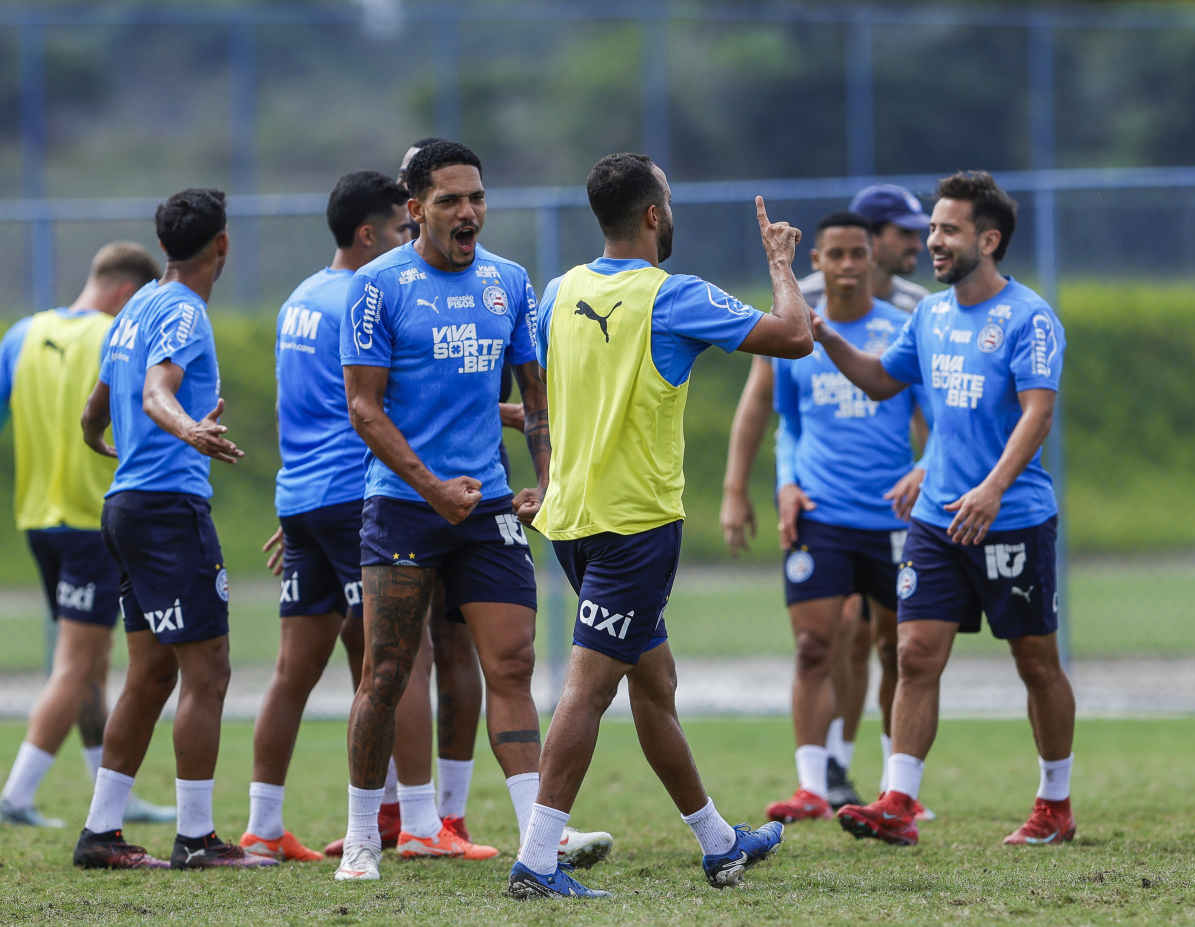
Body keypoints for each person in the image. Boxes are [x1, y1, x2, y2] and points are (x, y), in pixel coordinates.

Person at [507, 152, 813, 900]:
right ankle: (536, 862)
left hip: (573, 523)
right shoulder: (673, 297)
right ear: (653, 214)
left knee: (655, 683)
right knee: (588, 691)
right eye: (668, 201)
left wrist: (547, 463)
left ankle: (718, 842)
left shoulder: (559, 292)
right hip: (634, 529)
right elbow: (794, 334)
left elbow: (552, 394)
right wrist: (780, 263)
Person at [822, 171, 1074, 847]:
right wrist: (826, 336)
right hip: (937, 520)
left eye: (948, 229)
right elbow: (881, 379)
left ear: (988, 241)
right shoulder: (929, 316)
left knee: (1036, 663)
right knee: (915, 655)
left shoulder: (1029, 317)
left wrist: (992, 488)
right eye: (931, 228)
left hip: (1012, 518)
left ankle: (1055, 803)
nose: (932, 240)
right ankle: (898, 801)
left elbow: (1038, 413)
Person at [334, 140, 553, 882]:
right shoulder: (377, 286)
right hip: (404, 506)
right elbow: (363, 409)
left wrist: (547, 479)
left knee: (512, 663)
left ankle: (538, 840)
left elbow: (535, 397)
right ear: (416, 207)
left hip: (487, 507)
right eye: (451, 199)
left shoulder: (510, 282)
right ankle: (363, 837)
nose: (469, 212)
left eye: (477, 198)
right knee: (386, 672)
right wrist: (431, 488)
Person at [72, 188, 276, 870]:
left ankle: (101, 834)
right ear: (222, 244)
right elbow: (156, 390)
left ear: (163, 245)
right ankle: (196, 838)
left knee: (151, 671)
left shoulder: (134, 308)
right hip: (166, 509)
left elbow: (97, 407)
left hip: (126, 507)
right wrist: (189, 428)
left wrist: (99, 439)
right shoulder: (184, 311)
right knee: (207, 669)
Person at [720, 183, 931, 807]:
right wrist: (780, 483)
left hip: (892, 517)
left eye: (856, 253)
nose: (846, 264)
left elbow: (935, 419)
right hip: (821, 514)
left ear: (872, 257)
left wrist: (927, 470)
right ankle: (812, 786)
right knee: (815, 646)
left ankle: (895, 789)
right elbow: (787, 421)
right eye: (834, 254)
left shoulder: (904, 328)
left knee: (897, 649)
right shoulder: (797, 330)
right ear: (817, 260)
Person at [238, 171, 423, 862]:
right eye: (402, 230)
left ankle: (263, 825)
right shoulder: (363, 298)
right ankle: (418, 822)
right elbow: (383, 403)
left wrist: (301, 509)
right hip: (354, 498)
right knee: (396, 660)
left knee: (299, 669)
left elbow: (301, 408)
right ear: (369, 235)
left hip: (303, 501)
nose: (411, 240)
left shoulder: (300, 298)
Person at [0, 243, 174, 829]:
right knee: (76, 666)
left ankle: (113, 792)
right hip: (90, 522)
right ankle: (16, 795)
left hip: (37, 520)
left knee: (94, 663)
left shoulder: (21, 335)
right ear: (127, 294)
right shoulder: (118, 338)